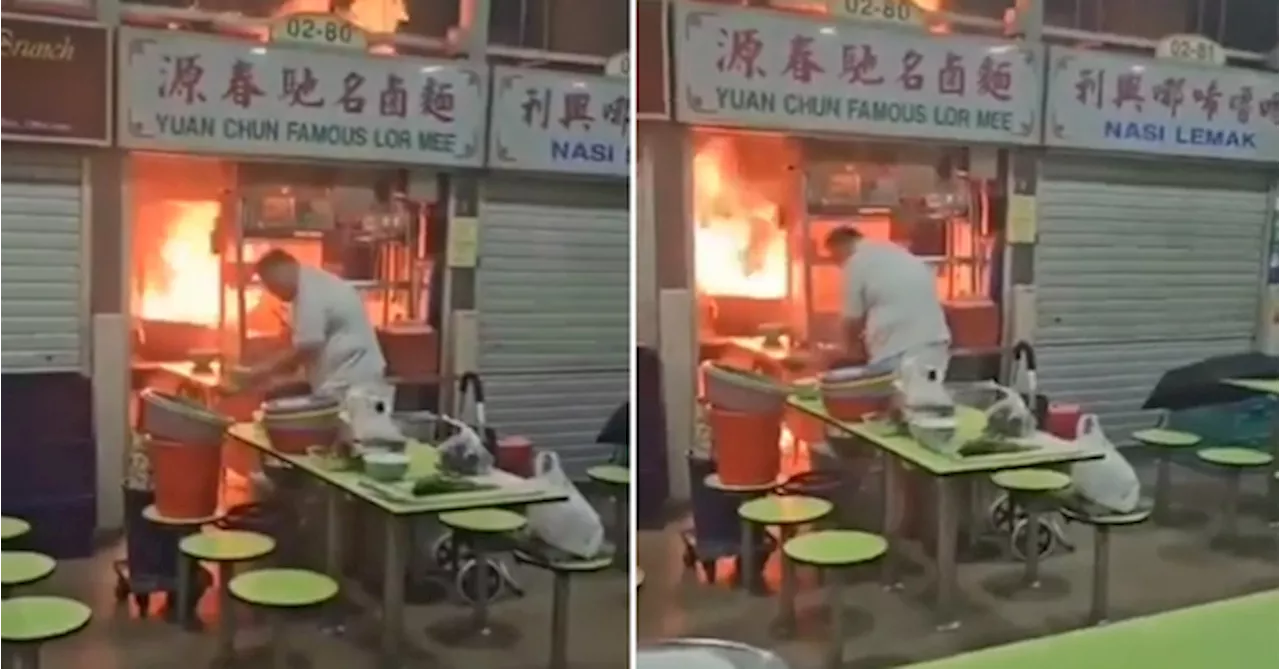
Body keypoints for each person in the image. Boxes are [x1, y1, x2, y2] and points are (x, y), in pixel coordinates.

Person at [239, 248, 390, 401]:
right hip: (347, 377)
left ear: (283, 270)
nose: (273, 292)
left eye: (272, 285)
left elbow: (308, 346)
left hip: (352, 379)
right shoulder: (310, 283)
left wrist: (264, 370)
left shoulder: (309, 291)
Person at [824, 226, 952, 377]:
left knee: (894, 397)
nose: (836, 263)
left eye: (834, 256)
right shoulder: (895, 252)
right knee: (926, 393)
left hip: (897, 350)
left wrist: (846, 353)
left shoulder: (856, 261)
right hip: (934, 345)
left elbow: (851, 320)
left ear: (840, 246)